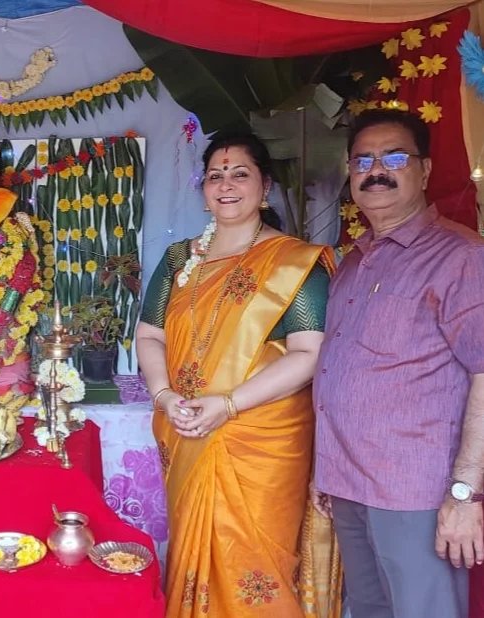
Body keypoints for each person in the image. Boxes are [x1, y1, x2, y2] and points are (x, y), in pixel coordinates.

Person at [136, 134, 339, 617]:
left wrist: (228, 405)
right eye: (215, 176)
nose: (226, 185)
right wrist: (164, 396)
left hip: (262, 441)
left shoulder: (294, 262)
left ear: (264, 186)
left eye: (240, 174)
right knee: (194, 550)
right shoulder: (179, 260)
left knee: (257, 567)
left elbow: (308, 353)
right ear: (204, 189)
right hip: (185, 428)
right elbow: (149, 334)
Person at [313, 109, 484, 617]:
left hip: (417, 494)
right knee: (367, 609)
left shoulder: (460, 256)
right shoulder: (353, 260)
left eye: (393, 158)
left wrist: (464, 495)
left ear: (424, 170)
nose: (375, 171)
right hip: (348, 485)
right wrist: (326, 471)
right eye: (362, 161)